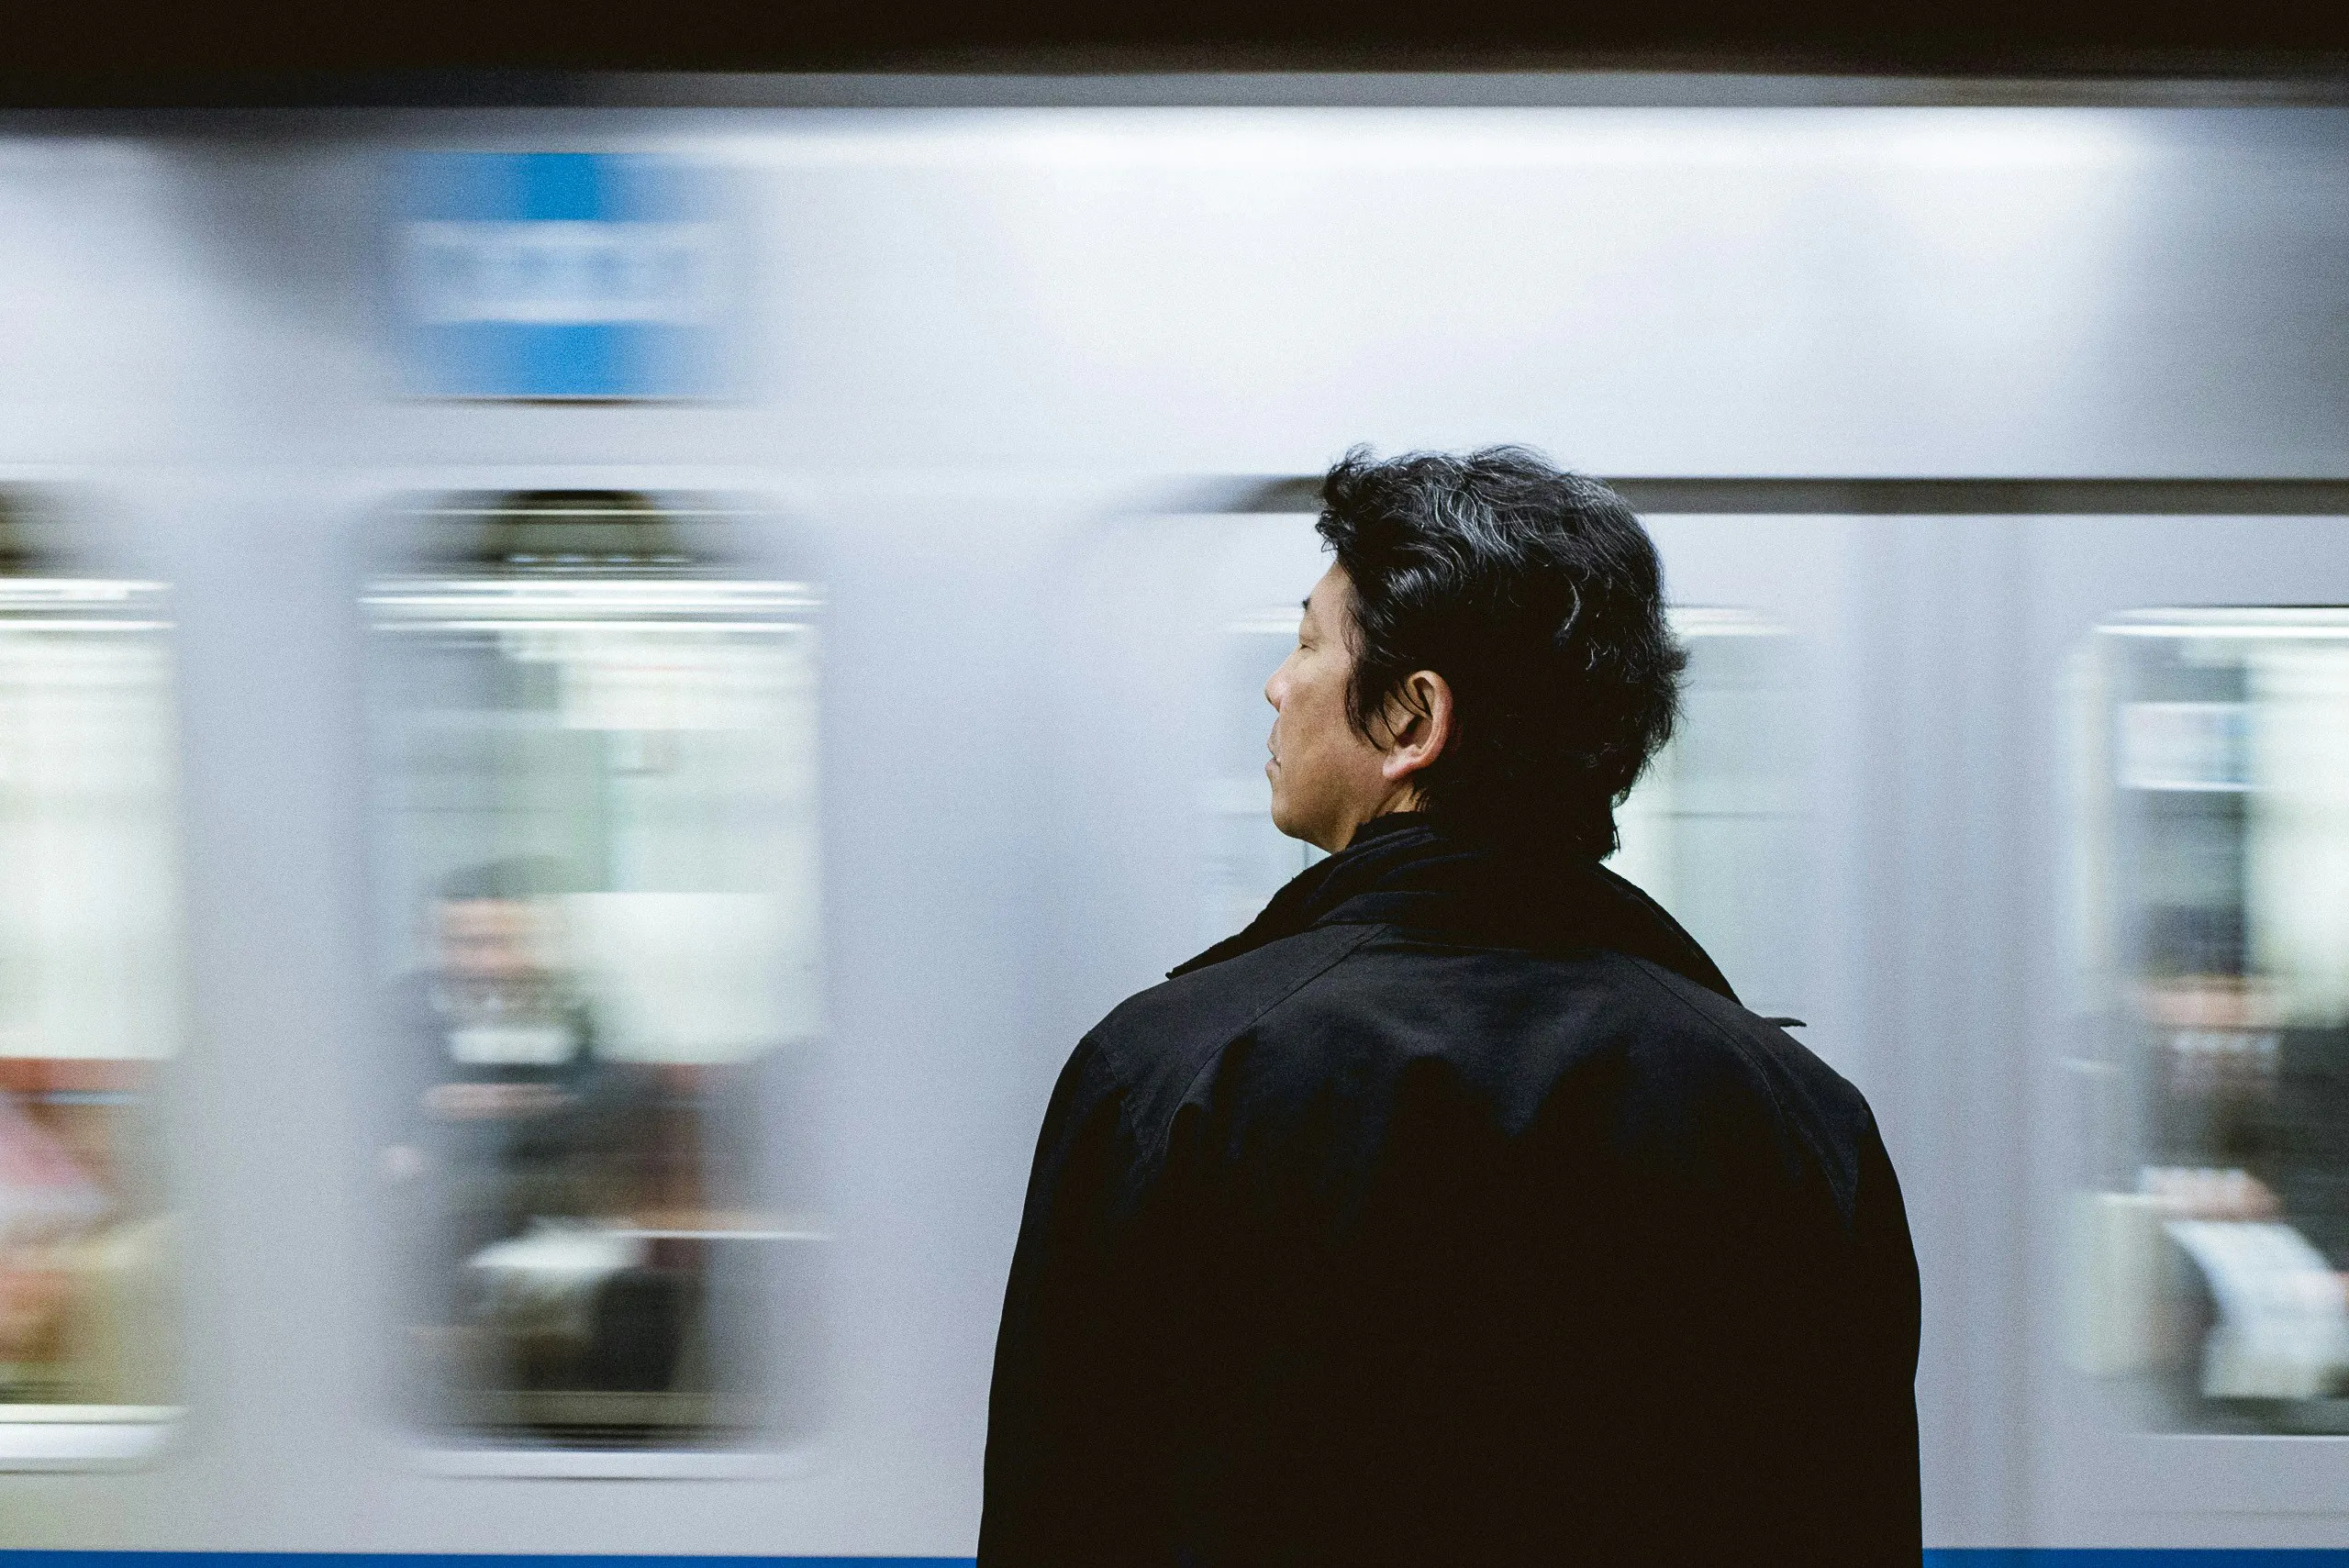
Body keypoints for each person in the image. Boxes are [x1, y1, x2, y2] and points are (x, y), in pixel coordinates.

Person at [981, 448, 1920, 1566]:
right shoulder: (1800, 1118)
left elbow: (1066, 1517)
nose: (1278, 683)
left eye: (1308, 642)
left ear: (1413, 719)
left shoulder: (1171, 1077)